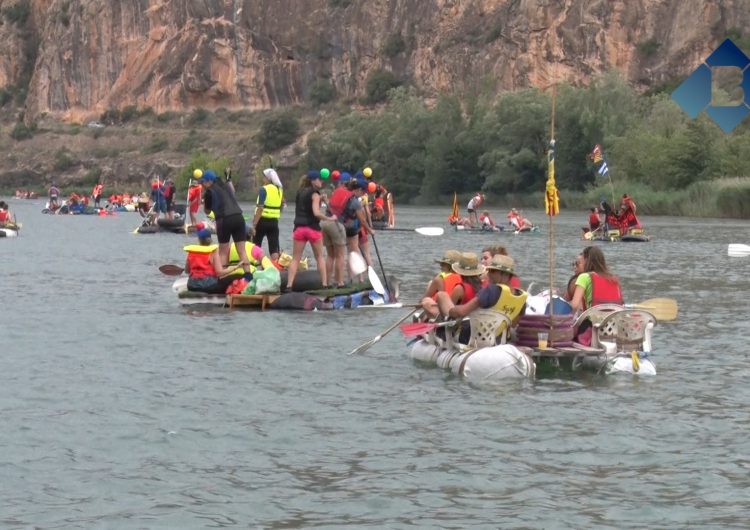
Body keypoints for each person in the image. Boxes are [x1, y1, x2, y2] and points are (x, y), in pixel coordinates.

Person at [435, 254, 528, 344]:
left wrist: (451, 311)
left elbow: (462, 312)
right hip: (498, 338)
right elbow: (514, 324)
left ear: (505, 274)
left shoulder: (491, 290)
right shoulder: (521, 296)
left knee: (442, 298)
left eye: (493, 271)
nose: (489, 274)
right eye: (489, 270)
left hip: (471, 336)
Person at [285, 171, 338, 291]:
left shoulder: (300, 192)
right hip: (312, 229)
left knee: (295, 258)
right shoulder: (315, 194)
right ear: (313, 181)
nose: (321, 181)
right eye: (319, 179)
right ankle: (324, 284)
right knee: (319, 257)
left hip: (299, 228)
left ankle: (289, 285)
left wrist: (322, 199)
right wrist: (330, 218)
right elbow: (316, 213)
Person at [199, 170, 252, 276]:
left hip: (224, 220)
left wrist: (204, 202)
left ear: (209, 181)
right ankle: (248, 276)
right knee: (241, 250)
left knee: (223, 251)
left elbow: (207, 211)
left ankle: (223, 277)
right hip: (239, 217)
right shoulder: (226, 186)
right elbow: (233, 191)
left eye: (203, 182)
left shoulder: (209, 192)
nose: (202, 185)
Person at [569, 246, 624, 345]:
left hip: (592, 329)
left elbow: (574, 305)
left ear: (587, 260)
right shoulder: (614, 279)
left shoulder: (584, 277)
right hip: (613, 329)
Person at [421, 252, 484, 319]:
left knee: (435, 297)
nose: (440, 265)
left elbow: (450, 309)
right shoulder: (484, 284)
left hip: (457, 320)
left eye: (443, 264)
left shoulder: (459, 288)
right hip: (475, 316)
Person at [184, 228, 248, 293]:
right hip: (208, 286)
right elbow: (219, 272)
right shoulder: (213, 251)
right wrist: (235, 267)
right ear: (210, 239)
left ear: (199, 239)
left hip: (191, 285)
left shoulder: (192, 251)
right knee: (238, 275)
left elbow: (187, 271)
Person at [321, 176, 350, 288]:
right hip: (336, 224)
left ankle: (327, 282)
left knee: (330, 255)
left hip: (325, 223)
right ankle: (340, 282)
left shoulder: (335, 192)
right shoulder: (349, 195)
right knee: (340, 256)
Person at [252, 168, 284, 263]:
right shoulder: (279, 190)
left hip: (262, 221)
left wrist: (254, 225)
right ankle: (275, 268)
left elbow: (260, 208)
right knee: (274, 248)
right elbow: (282, 204)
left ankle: (254, 266)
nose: (263, 179)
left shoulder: (263, 189)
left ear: (268, 178)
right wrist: (277, 214)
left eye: (264, 177)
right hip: (274, 222)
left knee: (256, 245)